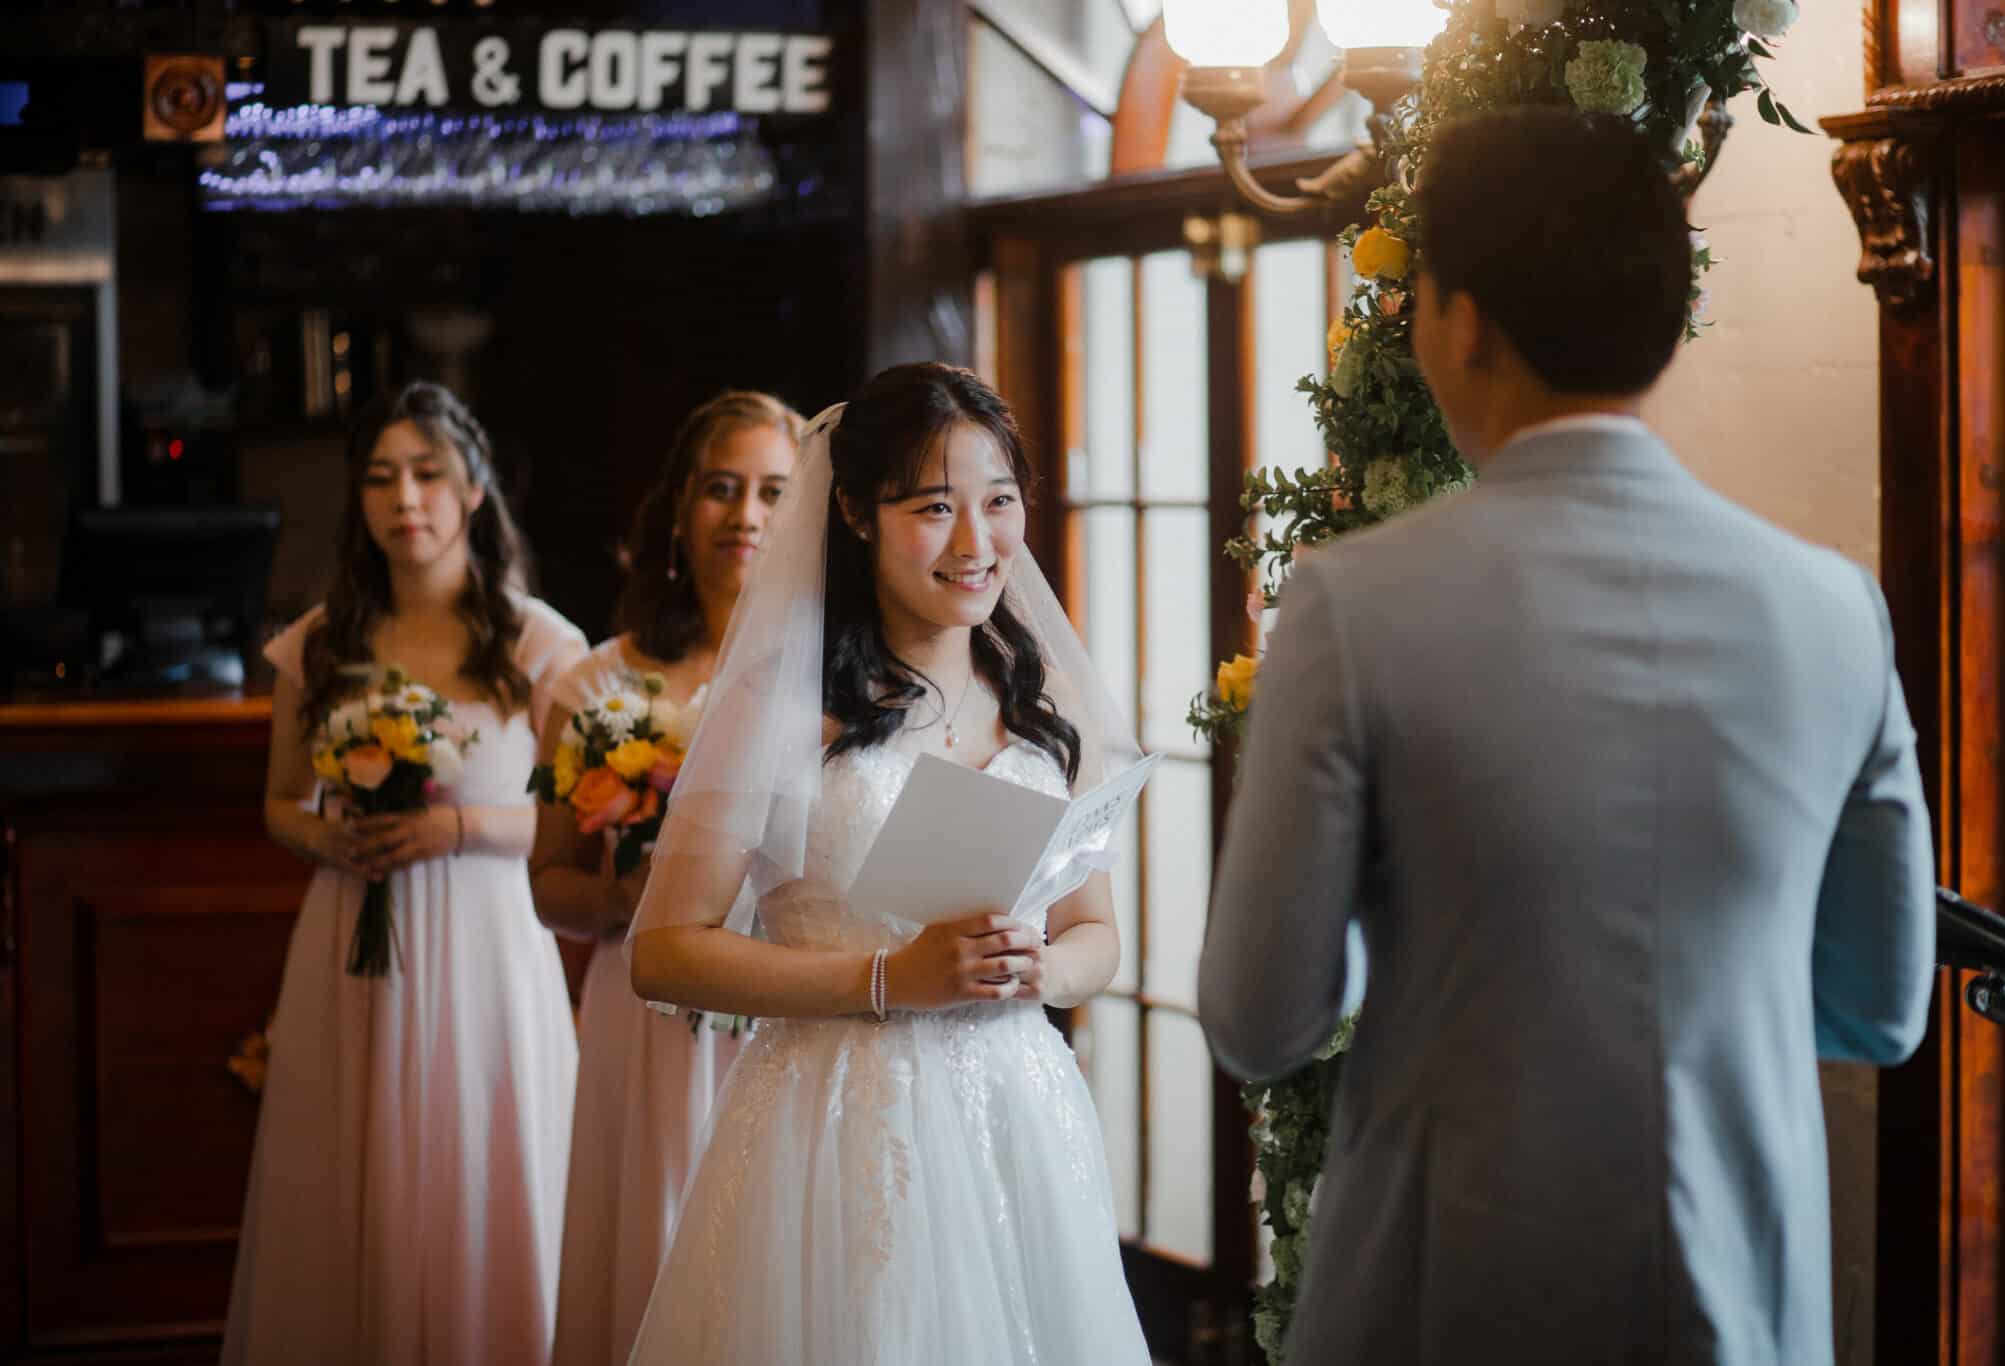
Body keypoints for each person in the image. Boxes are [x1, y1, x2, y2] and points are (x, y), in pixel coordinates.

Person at [1199, 108, 1935, 1365]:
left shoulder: (1352, 604)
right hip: (1741, 1293)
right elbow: (1878, 1007)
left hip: (1446, 1291)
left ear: (1463, 317)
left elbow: (1260, 1016)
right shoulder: (1832, 610)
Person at [622, 363, 1151, 1365]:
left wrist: (1042, 966)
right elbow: (661, 952)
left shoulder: (1042, 701)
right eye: (933, 507)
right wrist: (885, 978)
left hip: (1018, 1112)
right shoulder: (776, 707)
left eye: (998, 502)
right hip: (836, 1119)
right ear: (858, 514)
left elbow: (1096, 934)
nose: (975, 542)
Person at [226, 381, 586, 1366]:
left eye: (427, 474)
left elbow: (575, 822)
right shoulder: (320, 639)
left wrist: (457, 828)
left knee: (480, 1157)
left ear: (474, 490)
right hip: (351, 933)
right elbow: (279, 802)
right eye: (381, 478)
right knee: (351, 1160)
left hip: (488, 937)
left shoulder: (541, 643)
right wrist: (327, 838)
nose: (404, 498)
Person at [535, 391, 800, 1366]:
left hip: (780, 1012)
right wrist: (632, 901)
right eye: (720, 490)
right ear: (678, 512)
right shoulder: (594, 684)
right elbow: (548, 882)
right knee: (648, 1247)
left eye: (774, 491)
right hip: (641, 1017)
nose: (746, 515)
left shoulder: (832, 685)